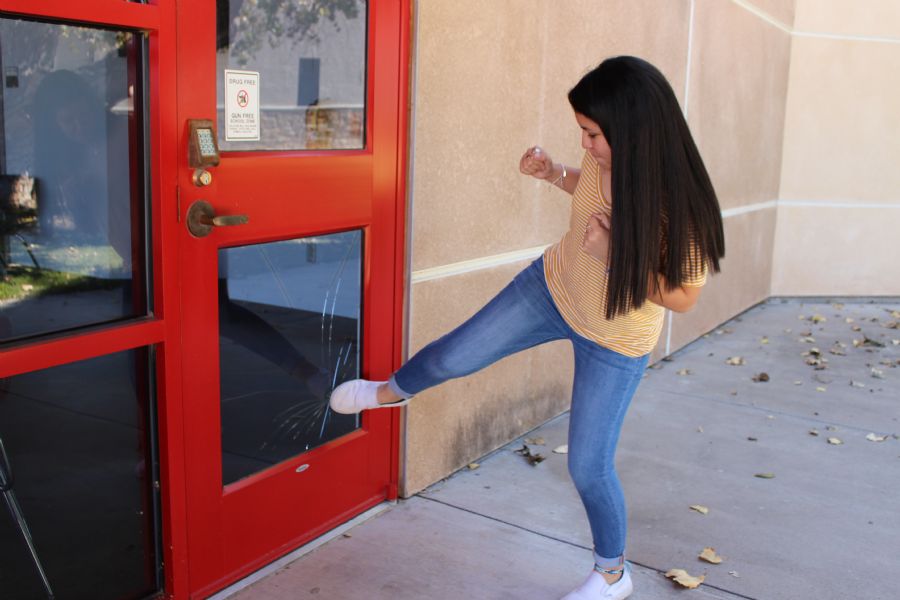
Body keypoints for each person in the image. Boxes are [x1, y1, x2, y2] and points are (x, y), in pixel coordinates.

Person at [329, 55, 725, 600]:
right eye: (581, 131)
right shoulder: (607, 159)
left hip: (615, 339)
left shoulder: (680, 206)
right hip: (551, 289)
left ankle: (613, 574)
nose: (585, 143)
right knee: (452, 356)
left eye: (592, 134)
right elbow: (588, 185)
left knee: (588, 466)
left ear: (633, 130)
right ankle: (389, 392)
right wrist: (554, 173)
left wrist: (613, 255)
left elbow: (684, 296)